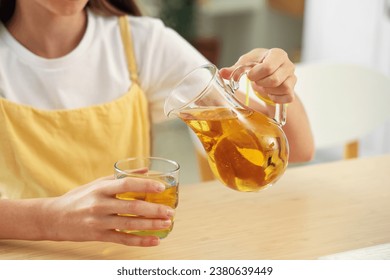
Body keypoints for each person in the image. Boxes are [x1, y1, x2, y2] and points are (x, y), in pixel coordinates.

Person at [0, 0, 314, 247]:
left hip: (127, 258)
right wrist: (49, 219)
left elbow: (296, 148)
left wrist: (270, 86)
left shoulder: (140, 43)